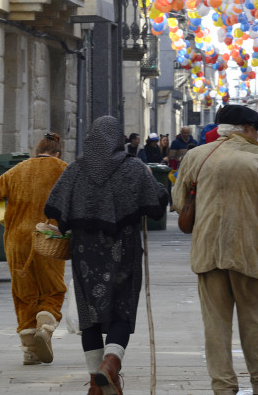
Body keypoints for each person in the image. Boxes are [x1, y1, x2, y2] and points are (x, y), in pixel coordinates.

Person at [172, 104, 258, 395]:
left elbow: (179, 203)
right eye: (257, 129)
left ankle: (223, 387)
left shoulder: (195, 156)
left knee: (215, 325)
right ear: (248, 130)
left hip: (208, 252)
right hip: (249, 252)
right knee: (255, 320)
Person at [44, 116, 168, 395]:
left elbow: (53, 207)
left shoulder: (75, 169)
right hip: (123, 249)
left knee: (90, 313)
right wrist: (150, 181)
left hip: (85, 253)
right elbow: (158, 204)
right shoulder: (133, 168)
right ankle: (110, 366)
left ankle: (94, 383)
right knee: (121, 308)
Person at [0, 133, 68, 365]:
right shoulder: (63, 169)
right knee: (53, 289)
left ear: (37, 151)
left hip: (17, 240)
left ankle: (30, 350)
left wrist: (5, 209)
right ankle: (46, 323)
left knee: (24, 293)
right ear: (57, 153)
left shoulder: (18, 170)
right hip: (49, 238)